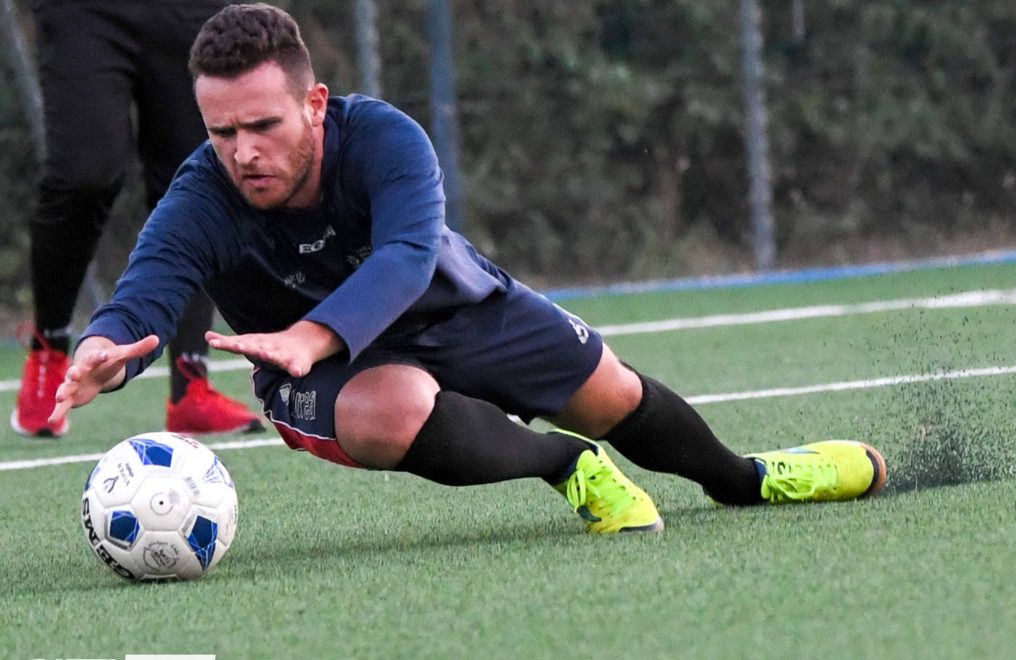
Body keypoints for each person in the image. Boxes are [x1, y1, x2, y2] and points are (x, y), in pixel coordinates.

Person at [49, 3, 887, 533]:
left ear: (314, 103)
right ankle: (565, 467)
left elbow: (408, 257)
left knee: (613, 397)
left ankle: (744, 481)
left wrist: (309, 331)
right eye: (221, 132)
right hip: (331, 377)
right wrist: (105, 350)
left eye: (261, 126)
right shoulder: (202, 194)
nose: (241, 152)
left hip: (456, 310)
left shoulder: (385, 139)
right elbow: (145, 293)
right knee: (391, 411)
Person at [13, 0, 264, 438]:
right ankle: (50, 347)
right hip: (86, 12)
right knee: (84, 174)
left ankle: (190, 384)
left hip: (189, 11)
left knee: (200, 180)